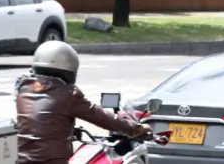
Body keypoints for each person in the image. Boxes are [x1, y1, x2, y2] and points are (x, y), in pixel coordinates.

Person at [14, 40, 151, 164]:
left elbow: (40, 119)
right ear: (68, 68)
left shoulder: (24, 89)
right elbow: (102, 117)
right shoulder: (66, 94)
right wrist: (135, 129)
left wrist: (69, 130)